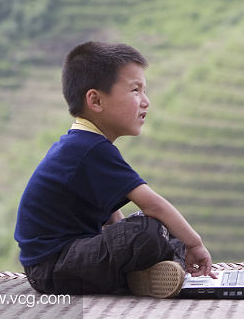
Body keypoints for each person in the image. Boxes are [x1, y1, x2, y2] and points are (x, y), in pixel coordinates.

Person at [15, 41, 213, 298]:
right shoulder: (89, 148)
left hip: (61, 262)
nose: (146, 102)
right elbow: (153, 204)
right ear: (95, 100)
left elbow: (111, 214)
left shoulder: (84, 144)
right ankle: (140, 276)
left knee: (160, 231)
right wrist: (194, 244)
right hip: (54, 267)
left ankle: (144, 274)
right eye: (135, 90)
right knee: (151, 230)